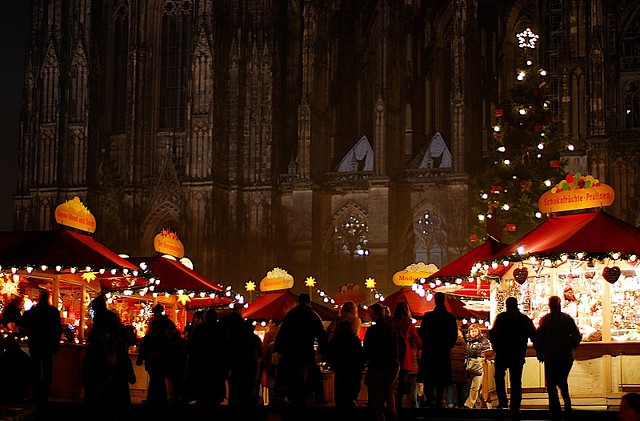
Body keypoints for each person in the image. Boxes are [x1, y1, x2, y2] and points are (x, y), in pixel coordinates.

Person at [273, 293, 329, 411]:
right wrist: (323, 351)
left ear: (298, 302)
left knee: (292, 377)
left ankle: (293, 399)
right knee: (312, 374)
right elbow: (321, 335)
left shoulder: (290, 315)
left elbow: (282, 334)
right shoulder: (313, 316)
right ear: (309, 302)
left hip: (291, 352)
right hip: (306, 351)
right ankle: (314, 398)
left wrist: (278, 350)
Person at [534, 295, 581, 421]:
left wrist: (540, 351)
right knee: (562, 381)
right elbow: (577, 336)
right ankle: (567, 406)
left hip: (551, 356)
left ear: (550, 306)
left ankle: (555, 410)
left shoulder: (546, 320)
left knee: (551, 384)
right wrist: (571, 347)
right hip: (566, 356)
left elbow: (539, 338)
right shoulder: (567, 319)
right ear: (560, 305)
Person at [489, 296, 536, 418]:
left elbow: (493, 333)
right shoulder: (523, 319)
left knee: (499, 377)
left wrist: (495, 346)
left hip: (502, 353)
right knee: (516, 381)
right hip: (517, 353)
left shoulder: (501, 318)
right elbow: (533, 335)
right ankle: (515, 406)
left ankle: (503, 402)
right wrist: (539, 349)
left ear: (507, 305)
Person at [22, 289, 62, 410]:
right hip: (48, 345)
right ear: (48, 298)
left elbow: (23, 321)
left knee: (35, 370)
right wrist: (55, 342)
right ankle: (44, 394)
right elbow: (58, 329)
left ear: (40, 298)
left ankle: (36, 393)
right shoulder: (53, 311)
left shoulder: (34, 311)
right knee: (47, 369)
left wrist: (28, 332)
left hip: (36, 344)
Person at [363, 302, 404, 421]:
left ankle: (380, 416)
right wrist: (398, 359)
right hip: (393, 363)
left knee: (378, 392)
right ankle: (393, 415)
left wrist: (366, 361)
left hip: (378, 364)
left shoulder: (373, 330)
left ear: (376, 314)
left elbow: (367, 348)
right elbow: (401, 346)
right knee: (390, 391)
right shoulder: (393, 328)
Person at [418, 292, 458, 408]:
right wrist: (447, 345)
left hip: (430, 351)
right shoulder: (450, 318)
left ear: (435, 301)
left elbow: (422, 333)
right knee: (442, 378)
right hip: (443, 352)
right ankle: (440, 400)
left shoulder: (428, 317)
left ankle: (430, 398)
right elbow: (453, 336)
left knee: (429, 377)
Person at [187, 308, 228, 407]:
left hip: (202, 363)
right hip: (216, 364)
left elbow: (192, 347)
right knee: (215, 390)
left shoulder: (199, 329)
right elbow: (226, 347)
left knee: (203, 389)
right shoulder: (221, 330)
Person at [328, 320, 365, 420]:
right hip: (353, 371)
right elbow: (361, 356)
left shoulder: (336, 341)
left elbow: (331, 355)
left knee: (340, 395)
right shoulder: (355, 341)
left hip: (340, 371)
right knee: (351, 395)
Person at [391, 301, 422, 409]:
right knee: (402, 380)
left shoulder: (392, 321)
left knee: (391, 379)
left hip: (392, 353)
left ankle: (391, 401)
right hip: (405, 354)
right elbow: (417, 340)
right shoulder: (408, 323)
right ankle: (398, 401)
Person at [463, 323, 491, 409]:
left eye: (474, 330)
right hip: (471, 365)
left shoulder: (483, 340)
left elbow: (486, 352)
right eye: (471, 331)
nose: (473, 332)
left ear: (478, 331)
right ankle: (484, 405)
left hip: (479, 364)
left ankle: (469, 404)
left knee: (475, 386)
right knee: (480, 388)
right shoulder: (468, 341)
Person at [447, 325, 469, 408]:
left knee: (451, 386)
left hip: (451, 370)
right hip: (462, 370)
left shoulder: (449, 346)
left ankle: (451, 402)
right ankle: (461, 404)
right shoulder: (464, 346)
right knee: (461, 388)